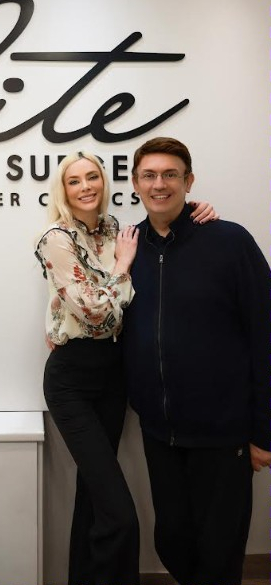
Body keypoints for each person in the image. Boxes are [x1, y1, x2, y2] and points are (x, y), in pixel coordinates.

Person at [35, 150, 216, 585]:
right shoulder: (55, 239)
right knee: (120, 514)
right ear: (63, 190)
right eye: (74, 181)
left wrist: (198, 211)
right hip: (72, 380)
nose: (85, 187)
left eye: (92, 177)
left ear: (104, 182)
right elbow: (97, 314)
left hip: (114, 374)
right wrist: (121, 266)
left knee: (94, 496)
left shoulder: (117, 230)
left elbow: (162, 227)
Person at [123, 136, 271, 585]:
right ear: (135, 183)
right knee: (173, 541)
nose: (159, 184)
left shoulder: (229, 241)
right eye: (149, 175)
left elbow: (265, 333)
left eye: (171, 174)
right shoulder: (128, 247)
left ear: (189, 182)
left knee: (220, 552)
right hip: (159, 433)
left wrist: (264, 431)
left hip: (223, 433)